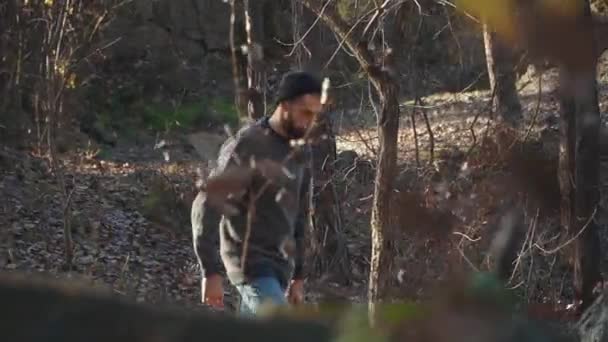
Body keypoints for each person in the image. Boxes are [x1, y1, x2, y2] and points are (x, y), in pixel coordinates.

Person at [191, 71, 322, 316]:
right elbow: (206, 203)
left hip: (279, 270)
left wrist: (299, 276)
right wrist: (210, 271)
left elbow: (300, 215)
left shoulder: (302, 152)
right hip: (250, 265)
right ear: (284, 105)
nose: (310, 121)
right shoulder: (249, 144)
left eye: (315, 115)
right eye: (305, 112)